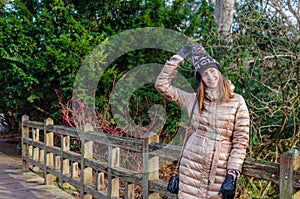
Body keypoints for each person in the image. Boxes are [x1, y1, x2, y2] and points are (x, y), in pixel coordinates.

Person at [155, 44, 250, 199]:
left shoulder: (237, 101)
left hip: (219, 171)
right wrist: (177, 58)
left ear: (219, 72)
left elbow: (241, 141)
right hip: (191, 168)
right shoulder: (193, 100)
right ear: (201, 79)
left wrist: (232, 174)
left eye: (212, 71)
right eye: (204, 74)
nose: (210, 77)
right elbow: (161, 85)